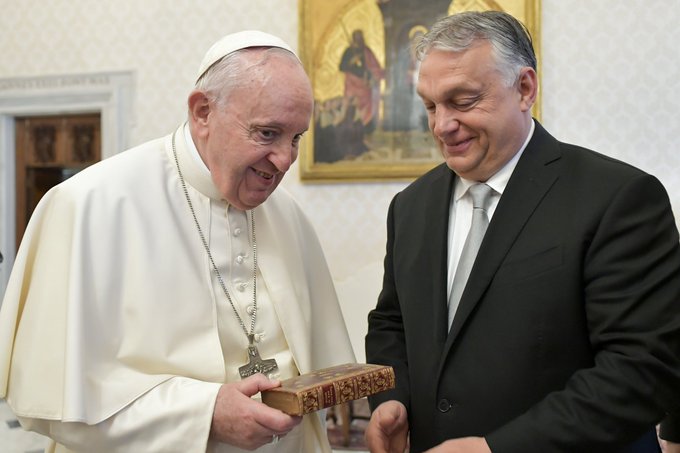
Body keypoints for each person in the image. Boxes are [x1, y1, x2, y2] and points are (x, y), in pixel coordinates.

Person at [0, 30, 355, 452]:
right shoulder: (90, 205)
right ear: (203, 112)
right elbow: (48, 403)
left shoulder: (287, 216)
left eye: (296, 138)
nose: (284, 160)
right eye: (266, 133)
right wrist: (204, 415)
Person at [364, 11, 680, 453]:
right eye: (431, 106)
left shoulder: (618, 198)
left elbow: (641, 369)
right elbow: (391, 323)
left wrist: (498, 448)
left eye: (463, 101)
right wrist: (391, 399)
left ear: (525, 88)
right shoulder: (411, 206)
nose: (441, 126)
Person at [339, 29, 384, 133]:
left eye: (360, 37)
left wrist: (372, 76)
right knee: (352, 105)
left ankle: (367, 128)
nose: (359, 40)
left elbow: (374, 67)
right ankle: (351, 129)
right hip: (352, 83)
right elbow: (341, 67)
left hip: (365, 85)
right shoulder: (349, 51)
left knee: (367, 106)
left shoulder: (366, 51)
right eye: (357, 37)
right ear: (354, 38)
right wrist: (351, 61)